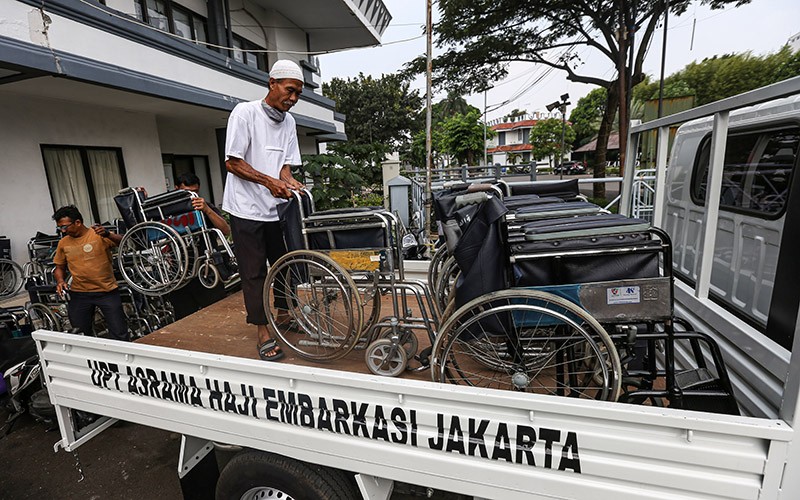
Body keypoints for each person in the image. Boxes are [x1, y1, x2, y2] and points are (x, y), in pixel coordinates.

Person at [223, 59, 305, 362]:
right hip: (245, 208)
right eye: (289, 90)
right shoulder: (245, 113)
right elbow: (232, 162)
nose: (293, 98)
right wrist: (269, 181)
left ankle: (285, 314)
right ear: (272, 83)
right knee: (254, 271)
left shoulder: (290, 122)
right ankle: (262, 331)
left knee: (284, 264)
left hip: (276, 208)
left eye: (298, 93)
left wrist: (289, 181)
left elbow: (284, 166)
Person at [52, 205, 128, 341]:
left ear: (78, 222)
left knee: (119, 332)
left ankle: (123, 361)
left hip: (107, 292)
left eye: (64, 227)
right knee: (80, 334)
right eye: (60, 228)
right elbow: (59, 267)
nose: (63, 231)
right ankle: (91, 361)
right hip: (80, 294)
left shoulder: (98, 234)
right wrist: (60, 281)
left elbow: (125, 241)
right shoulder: (63, 243)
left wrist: (108, 234)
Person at [167, 173, 232, 319]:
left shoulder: (204, 206)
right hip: (180, 273)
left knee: (217, 314)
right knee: (185, 318)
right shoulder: (167, 210)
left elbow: (225, 229)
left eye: (195, 192)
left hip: (207, 268)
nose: (191, 195)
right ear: (176, 189)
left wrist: (207, 211)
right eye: (186, 192)